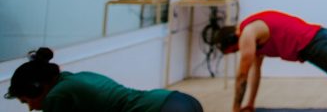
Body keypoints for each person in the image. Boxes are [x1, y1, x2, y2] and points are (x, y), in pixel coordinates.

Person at [5, 47, 203, 112]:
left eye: (26, 101)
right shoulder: (74, 79)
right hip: (181, 101)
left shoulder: (56, 97)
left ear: (36, 87)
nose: (30, 108)